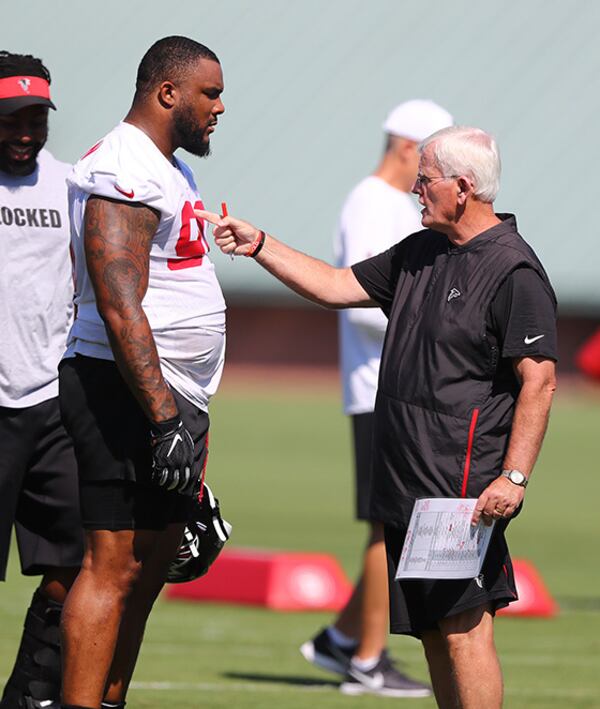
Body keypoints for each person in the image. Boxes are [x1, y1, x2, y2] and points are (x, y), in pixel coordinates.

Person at [198, 125, 557, 708]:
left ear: (463, 188)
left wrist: (513, 477)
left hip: (457, 484)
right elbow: (338, 286)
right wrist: (261, 242)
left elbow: (538, 380)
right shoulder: (421, 250)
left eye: (426, 179)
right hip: (404, 476)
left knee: (465, 627)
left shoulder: (514, 271)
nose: (415, 188)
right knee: (435, 631)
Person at [58, 36, 226, 709]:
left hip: (171, 395)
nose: (220, 107)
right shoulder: (126, 165)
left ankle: (109, 699)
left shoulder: (169, 166)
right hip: (121, 390)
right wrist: (161, 417)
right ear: (167, 93)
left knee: (151, 563)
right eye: (209, 93)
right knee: (113, 566)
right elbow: (117, 298)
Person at [301, 100, 453, 698]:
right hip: (378, 388)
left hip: (407, 387)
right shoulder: (372, 201)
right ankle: (367, 657)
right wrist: (440, 332)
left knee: (397, 521)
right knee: (384, 526)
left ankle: (340, 639)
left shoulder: (398, 204)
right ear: (408, 147)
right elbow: (359, 299)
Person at [0, 52, 83, 709]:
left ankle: (29, 695)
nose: (25, 130)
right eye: (11, 119)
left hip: (53, 405)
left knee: (77, 562)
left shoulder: (70, 185)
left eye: (35, 117)